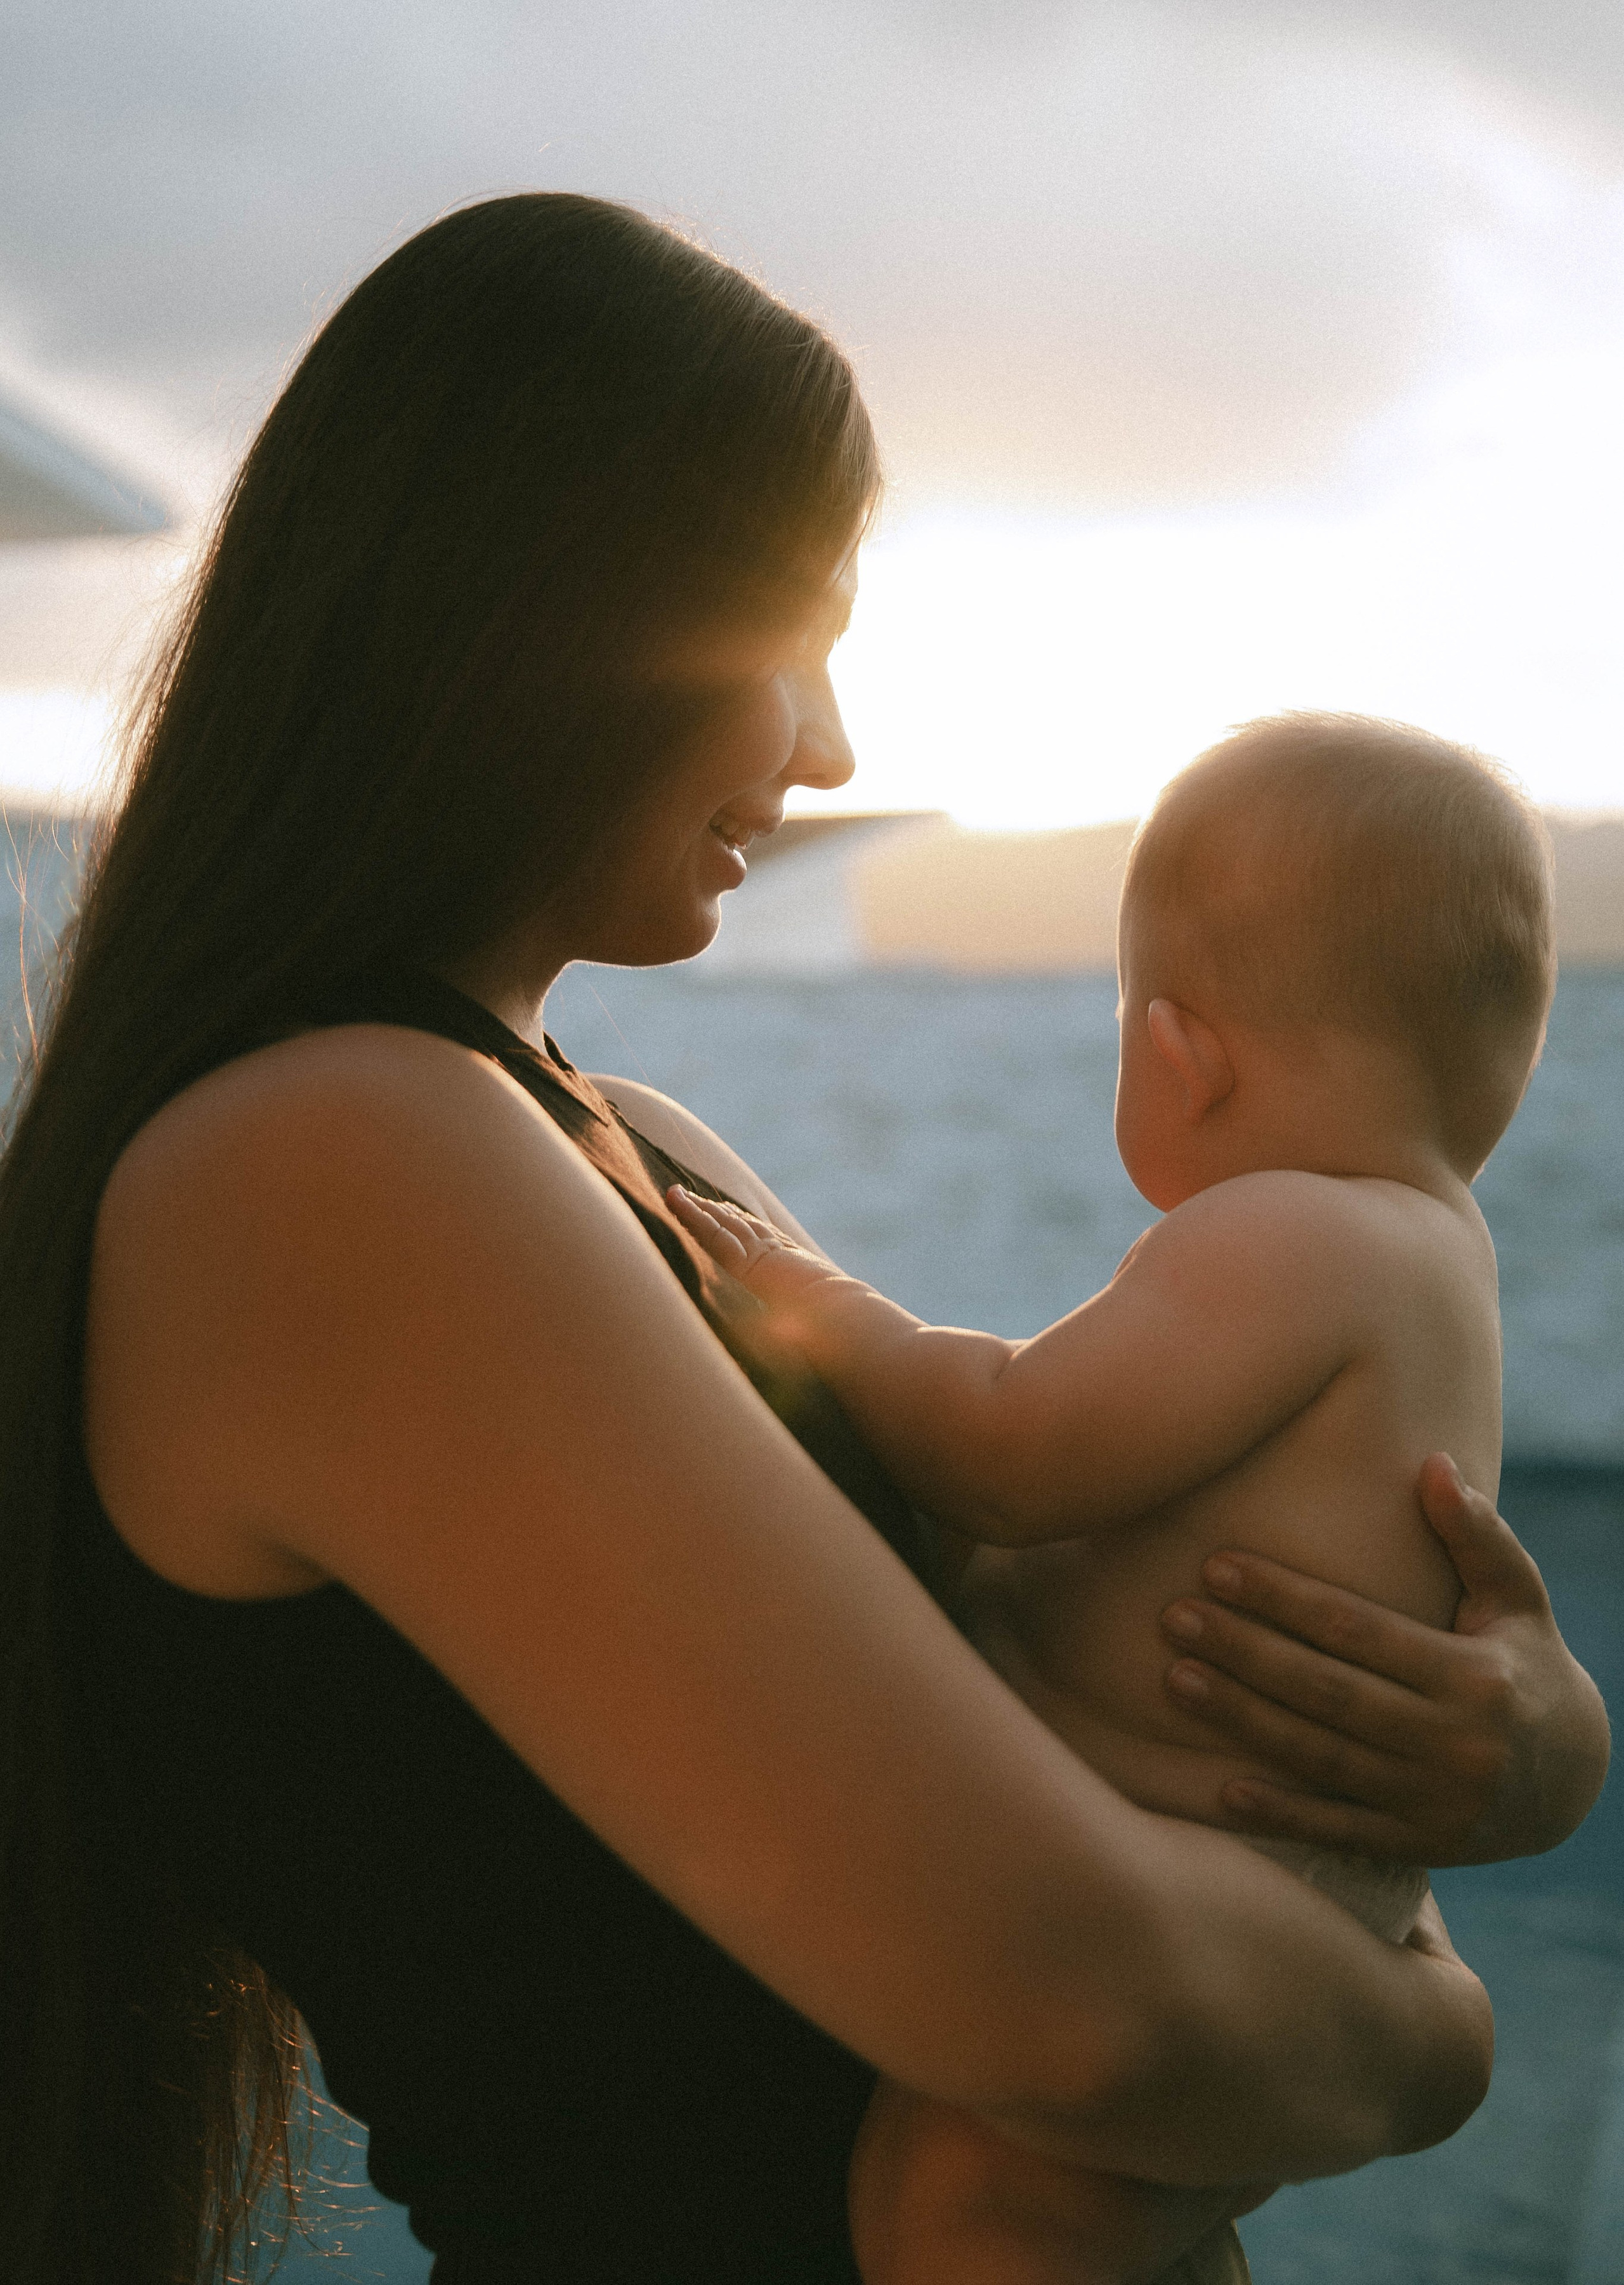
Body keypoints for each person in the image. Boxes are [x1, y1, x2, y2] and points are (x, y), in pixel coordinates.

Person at [0, 197, 1606, 2285]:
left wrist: (1520, 1738)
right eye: (794, 634)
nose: (836, 746)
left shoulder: (616, 1150)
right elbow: (1090, 2006)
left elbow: (1044, 1674)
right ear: (555, 620)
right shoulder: (332, 1165)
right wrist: (1432, 2034)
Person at [670, 711, 1569, 2277]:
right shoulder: (1438, 1259)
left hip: (1208, 1907)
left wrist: (830, 1313)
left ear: (1177, 1049)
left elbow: (1016, 1449)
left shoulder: (1283, 1236)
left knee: (952, 2210)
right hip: (1315, 1910)